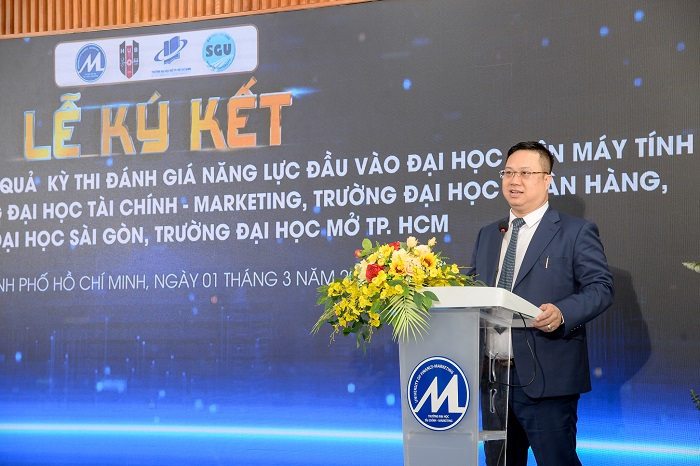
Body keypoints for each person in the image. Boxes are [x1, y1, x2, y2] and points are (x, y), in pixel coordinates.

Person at [470, 141, 614, 466]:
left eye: (525, 173)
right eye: (508, 172)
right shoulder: (488, 234)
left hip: (547, 377)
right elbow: (476, 292)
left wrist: (563, 313)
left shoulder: (575, 232)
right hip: (494, 380)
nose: (514, 180)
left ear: (547, 179)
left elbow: (601, 288)